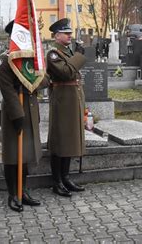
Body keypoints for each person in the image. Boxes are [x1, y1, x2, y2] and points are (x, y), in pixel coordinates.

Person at [0, 20, 50, 212]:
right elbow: (6, 88)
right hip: (15, 111)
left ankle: (23, 190)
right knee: (13, 155)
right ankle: (13, 193)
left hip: (30, 108)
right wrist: (17, 115)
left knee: (25, 154)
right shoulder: (6, 59)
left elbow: (45, 79)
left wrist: (28, 82)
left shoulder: (31, 58)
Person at [46, 18, 86, 197]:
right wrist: (78, 56)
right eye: (66, 33)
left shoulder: (68, 53)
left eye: (70, 32)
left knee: (70, 139)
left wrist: (76, 55)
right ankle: (57, 181)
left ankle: (66, 177)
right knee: (60, 140)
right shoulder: (53, 54)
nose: (70, 35)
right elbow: (66, 72)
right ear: (56, 36)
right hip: (62, 101)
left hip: (72, 99)